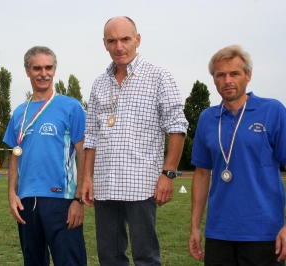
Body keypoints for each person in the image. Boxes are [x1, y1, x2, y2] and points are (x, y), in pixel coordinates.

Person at [82, 16, 188, 266]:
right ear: (104, 44)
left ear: (137, 40)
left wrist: (168, 173)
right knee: (109, 258)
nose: (119, 46)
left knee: (146, 258)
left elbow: (177, 126)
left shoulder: (159, 77)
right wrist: (87, 177)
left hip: (142, 186)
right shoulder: (99, 83)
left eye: (125, 39)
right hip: (105, 186)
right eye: (112, 41)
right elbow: (91, 135)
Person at [189, 45, 286, 265]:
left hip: (264, 232)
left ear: (248, 76)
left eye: (235, 73)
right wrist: (195, 227)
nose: (227, 80)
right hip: (218, 233)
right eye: (220, 75)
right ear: (214, 79)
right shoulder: (207, 118)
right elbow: (202, 174)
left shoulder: (273, 111)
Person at [3, 46, 87, 266]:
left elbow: (83, 153)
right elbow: (15, 155)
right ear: (27, 71)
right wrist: (12, 193)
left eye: (49, 67)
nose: (43, 73)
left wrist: (78, 200)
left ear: (54, 70)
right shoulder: (19, 112)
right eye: (37, 68)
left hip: (62, 201)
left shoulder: (71, 107)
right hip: (26, 201)